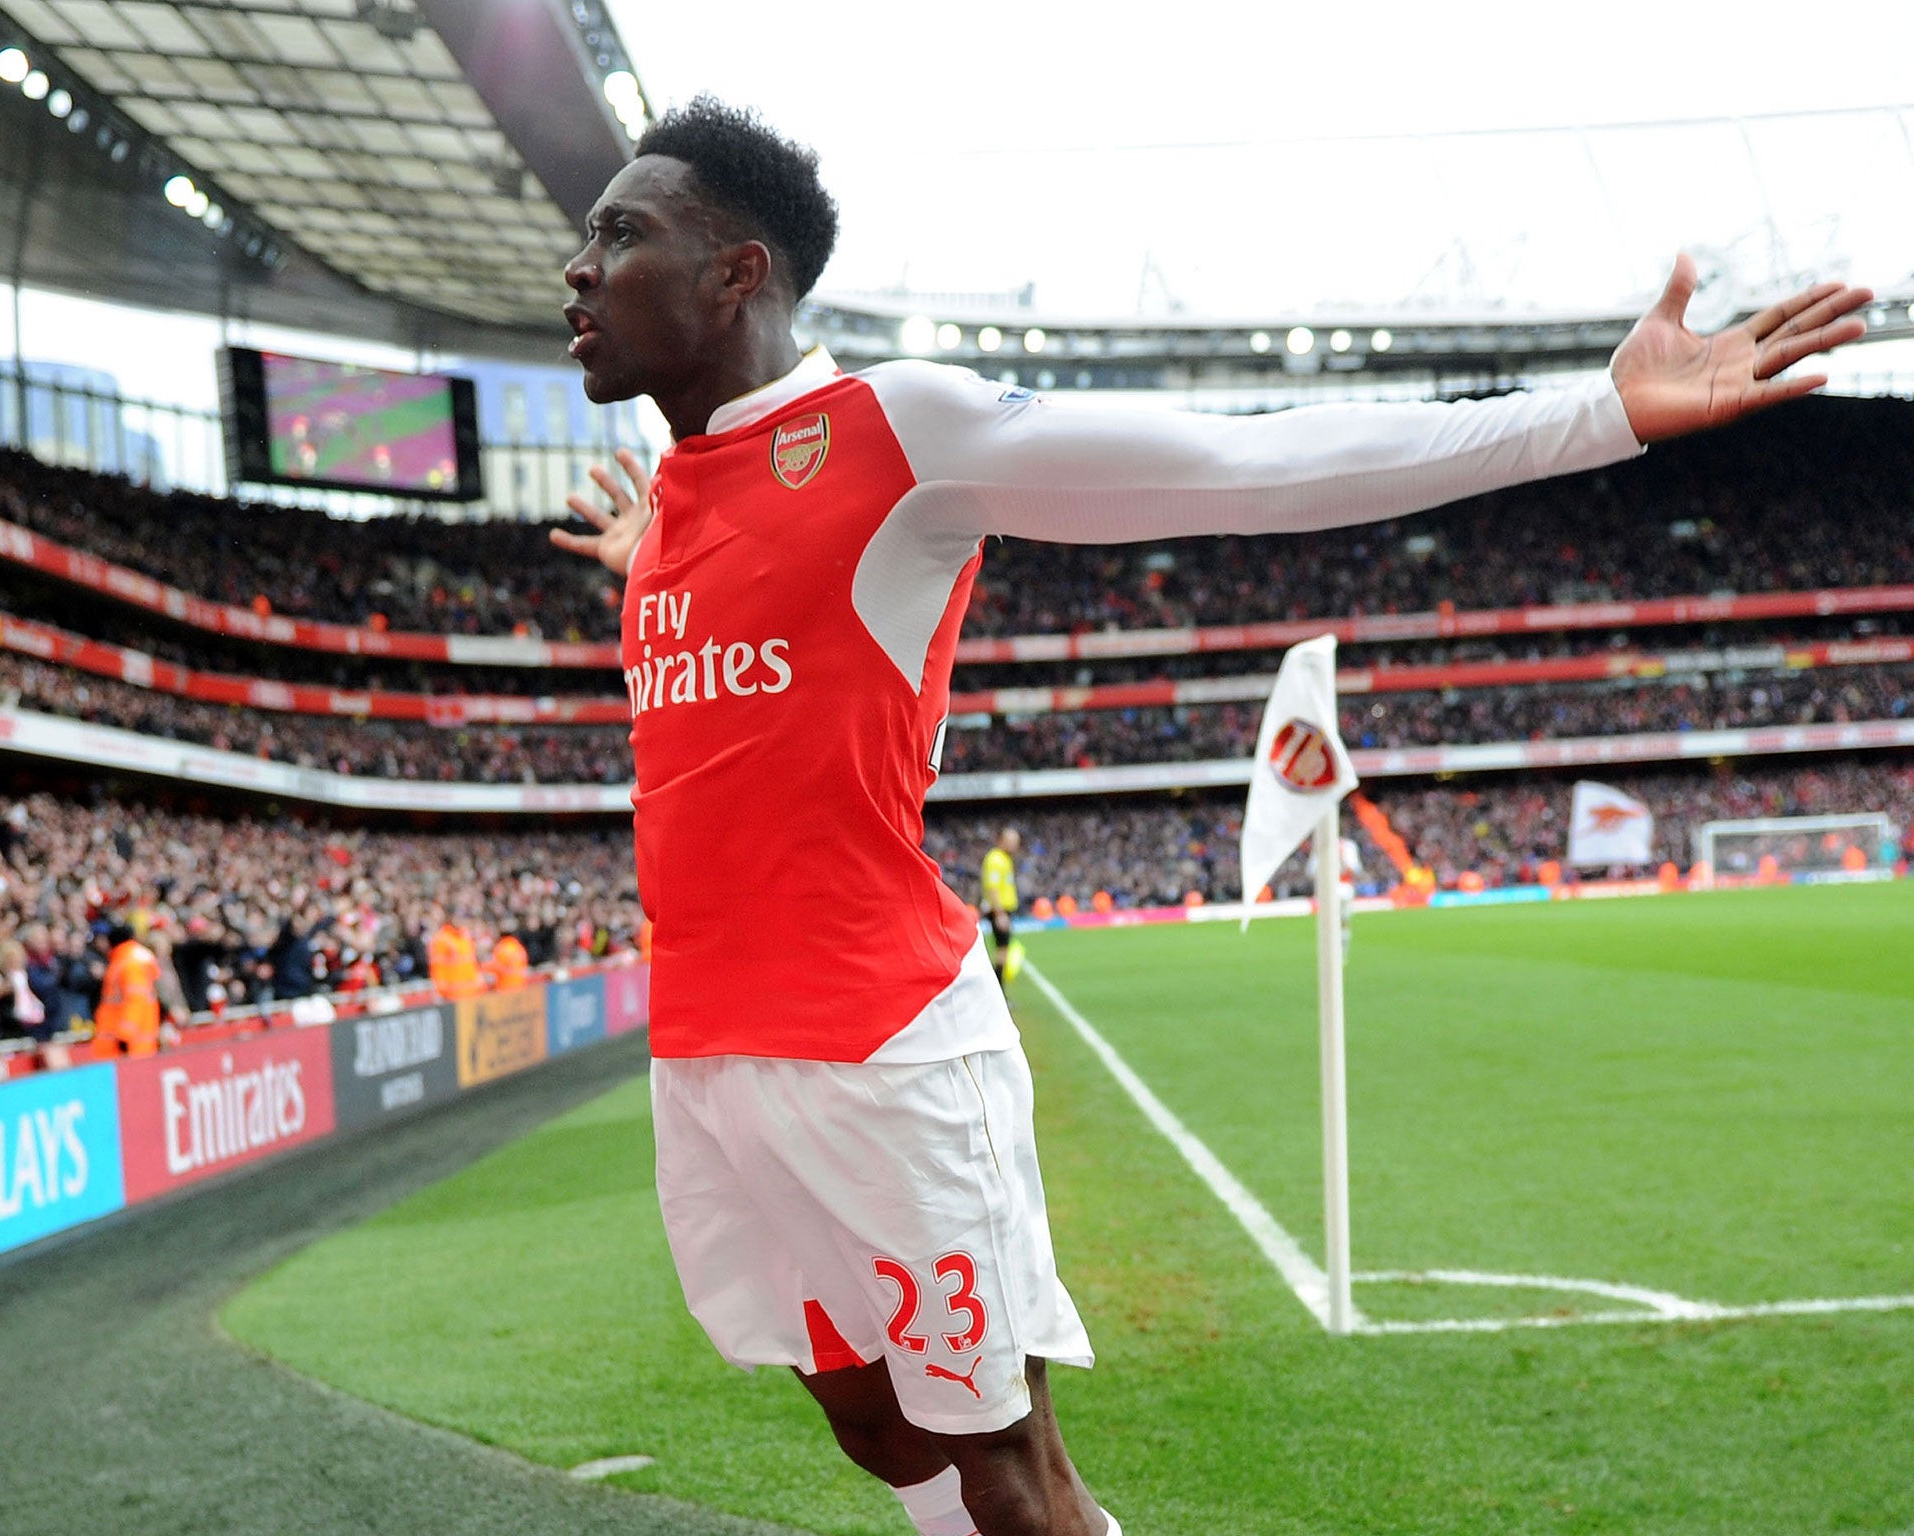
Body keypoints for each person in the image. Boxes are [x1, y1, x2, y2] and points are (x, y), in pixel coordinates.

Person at [550, 96, 1867, 1536]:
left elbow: (1250, 466)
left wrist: (1600, 413)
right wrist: (646, 563)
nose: (580, 266)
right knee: (876, 1431)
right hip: (711, 1056)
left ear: (739, 272)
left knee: (1005, 1468)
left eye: (622, 234)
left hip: (877, 1042)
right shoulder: (677, 494)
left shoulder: (893, 429)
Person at [91, 925, 162, 1059]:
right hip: (137, 1042)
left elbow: (136, 1000)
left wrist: (125, 1035)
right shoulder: (134, 959)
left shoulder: (127, 964)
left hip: (126, 1045)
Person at [981, 829, 1025, 985]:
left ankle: (1000, 992)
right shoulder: (995, 859)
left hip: (1004, 910)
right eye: (1012, 841)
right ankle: (998, 992)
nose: (1015, 845)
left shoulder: (1004, 858)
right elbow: (992, 888)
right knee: (1002, 951)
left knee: (1003, 951)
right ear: (1002, 840)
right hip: (999, 911)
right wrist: (1000, 914)